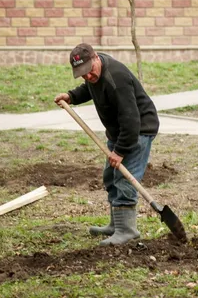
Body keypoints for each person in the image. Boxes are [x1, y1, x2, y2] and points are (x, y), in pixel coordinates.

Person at [54, 43, 159, 246]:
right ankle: (116, 225)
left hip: (137, 131)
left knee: (124, 178)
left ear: (95, 58)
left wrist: (120, 151)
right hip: (119, 132)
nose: (88, 77)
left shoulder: (116, 78)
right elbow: (90, 88)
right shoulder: (95, 72)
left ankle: (127, 230)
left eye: (90, 72)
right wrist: (72, 96)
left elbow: (131, 119)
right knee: (110, 177)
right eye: (82, 74)